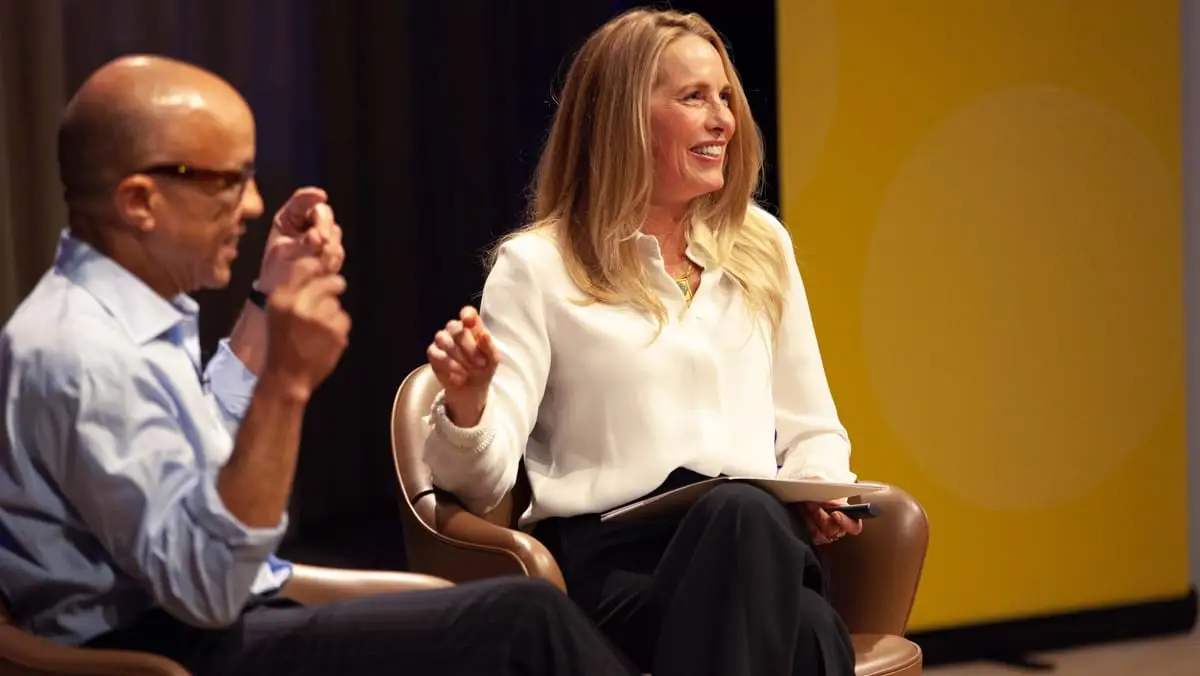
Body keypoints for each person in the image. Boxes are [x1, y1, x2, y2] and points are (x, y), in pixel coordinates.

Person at [0, 55, 637, 675]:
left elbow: (202, 457)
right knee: (520, 620)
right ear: (140, 200)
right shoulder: (83, 353)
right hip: (158, 646)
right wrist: (286, 382)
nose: (252, 205)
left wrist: (267, 295)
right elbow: (207, 590)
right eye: (229, 180)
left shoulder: (115, 316)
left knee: (496, 611)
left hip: (205, 612)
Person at [423, 8, 863, 676]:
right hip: (618, 570)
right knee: (800, 625)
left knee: (760, 544)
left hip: (759, 547)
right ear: (622, 117)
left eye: (725, 98)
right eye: (694, 98)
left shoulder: (761, 245)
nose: (724, 120)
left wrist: (820, 488)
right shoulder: (538, 266)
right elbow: (477, 482)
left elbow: (812, 427)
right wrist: (467, 406)